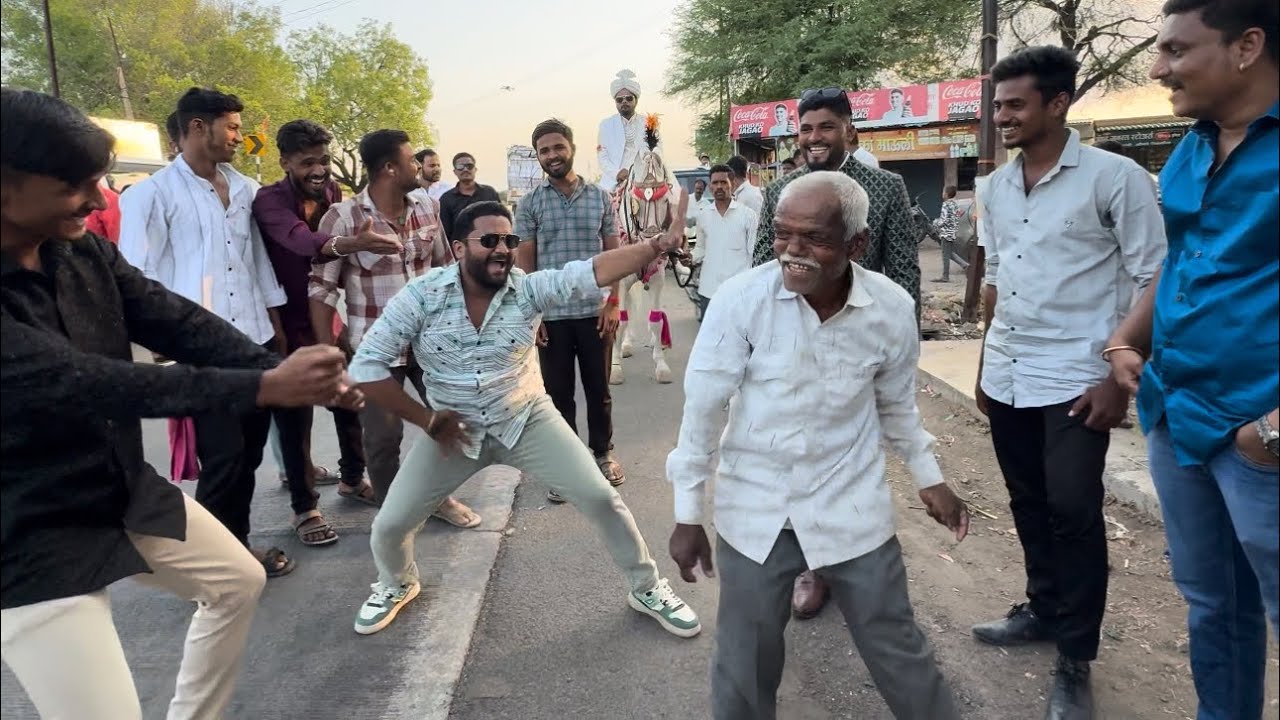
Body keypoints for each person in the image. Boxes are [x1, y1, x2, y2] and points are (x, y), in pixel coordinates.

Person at [0, 87, 362, 720]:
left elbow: (171, 318)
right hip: (28, 533)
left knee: (236, 582)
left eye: (98, 181)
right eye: (76, 186)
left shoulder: (79, 247)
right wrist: (261, 387)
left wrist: (278, 367)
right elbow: (88, 381)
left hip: (116, 486)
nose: (97, 199)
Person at [668, 171, 968, 720]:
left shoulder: (891, 309)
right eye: (783, 234)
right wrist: (687, 513)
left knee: (897, 647)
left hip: (851, 506)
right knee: (745, 666)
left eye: (815, 238)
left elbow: (896, 404)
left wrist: (931, 477)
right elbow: (703, 409)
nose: (793, 252)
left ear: (856, 245)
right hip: (757, 511)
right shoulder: (741, 301)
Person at [348, 200, 701, 639]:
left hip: (526, 418)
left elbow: (590, 271)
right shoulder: (422, 297)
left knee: (601, 498)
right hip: (453, 432)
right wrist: (426, 419)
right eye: (489, 240)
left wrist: (655, 246)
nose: (502, 249)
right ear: (458, 248)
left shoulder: (529, 289)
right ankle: (397, 582)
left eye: (510, 240)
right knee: (390, 525)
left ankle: (646, 587)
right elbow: (365, 366)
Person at [970, 46, 1167, 720]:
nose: (1003, 117)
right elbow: (996, 277)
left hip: (1078, 379)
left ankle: (1075, 657)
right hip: (1009, 374)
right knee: (1027, 500)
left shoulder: (1116, 179)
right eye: (998, 106)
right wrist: (982, 368)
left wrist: (1118, 374)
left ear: (1058, 104)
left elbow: (1154, 277)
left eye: (1015, 105)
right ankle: (1044, 610)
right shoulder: (994, 186)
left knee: (1074, 511)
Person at [1107, 1, 1278, 717]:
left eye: (1177, 50)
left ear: (1246, 46)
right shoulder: (1190, 148)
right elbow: (1183, 257)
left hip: (1259, 432)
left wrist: (1269, 428)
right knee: (1214, 604)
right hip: (1176, 414)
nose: (1158, 68)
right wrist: (1126, 339)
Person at [750, 87, 923, 617]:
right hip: (796, 349)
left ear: (850, 129)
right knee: (802, 452)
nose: (814, 138)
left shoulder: (885, 187)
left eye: (826, 127)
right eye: (805, 129)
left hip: (863, 347)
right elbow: (761, 271)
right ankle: (811, 563)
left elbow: (904, 271)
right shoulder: (782, 190)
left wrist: (900, 346)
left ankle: (850, 554)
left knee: (856, 455)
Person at [120, 87, 305, 577]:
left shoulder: (244, 188)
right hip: (198, 347)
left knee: (246, 455)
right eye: (233, 128)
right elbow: (134, 276)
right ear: (198, 127)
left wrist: (277, 327)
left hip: (254, 339)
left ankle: (236, 546)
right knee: (222, 458)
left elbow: (257, 261)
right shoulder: (150, 195)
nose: (239, 138)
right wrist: (162, 340)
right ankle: (218, 562)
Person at [308, 129, 478, 528]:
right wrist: (327, 355)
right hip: (375, 351)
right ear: (388, 168)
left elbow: (444, 270)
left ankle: (438, 497)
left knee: (447, 421)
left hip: (430, 341)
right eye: (410, 161)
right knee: (383, 441)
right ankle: (393, 520)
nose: (418, 167)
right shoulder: (344, 218)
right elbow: (321, 288)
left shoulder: (426, 207)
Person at [254, 119, 405, 540]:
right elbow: (302, 242)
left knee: (349, 401)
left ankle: (352, 479)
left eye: (323, 161)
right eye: (307, 163)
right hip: (284, 323)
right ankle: (304, 509)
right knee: (294, 419)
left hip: (327, 316)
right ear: (284, 162)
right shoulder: (268, 201)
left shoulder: (333, 194)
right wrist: (352, 244)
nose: (318, 171)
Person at [514, 119, 638, 500]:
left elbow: (614, 254)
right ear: (538, 158)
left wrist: (613, 302)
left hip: (594, 312)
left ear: (571, 147)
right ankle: (568, 468)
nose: (552, 156)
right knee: (557, 395)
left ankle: (603, 454)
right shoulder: (530, 203)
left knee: (599, 389)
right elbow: (526, 265)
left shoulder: (600, 197)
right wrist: (533, 317)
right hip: (551, 318)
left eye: (557, 147)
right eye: (544, 151)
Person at [689, 164, 757, 319]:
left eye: (723, 182)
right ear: (710, 187)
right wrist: (689, 258)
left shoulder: (748, 216)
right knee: (711, 341)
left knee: (741, 340)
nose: (719, 186)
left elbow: (753, 254)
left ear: (732, 184)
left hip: (739, 292)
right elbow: (700, 249)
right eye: (715, 183)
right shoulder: (704, 216)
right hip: (709, 291)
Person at [598, 69, 662, 193]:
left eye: (628, 98)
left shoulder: (648, 123)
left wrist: (645, 168)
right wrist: (617, 173)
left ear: (636, 100)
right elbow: (602, 155)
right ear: (615, 102)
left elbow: (658, 149)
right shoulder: (606, 125)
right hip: (613, 182)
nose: (624, 102)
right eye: (619, 100)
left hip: (644, 180)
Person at [438, 152, 500, 240]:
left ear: (475, 169)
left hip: (490, 244)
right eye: (460, 167)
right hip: (461, 250)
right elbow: (444, 233)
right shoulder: (446, 199)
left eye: (469, 166)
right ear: (455, 172)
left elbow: (500, 220)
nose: (465, 169)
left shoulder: (489, 193)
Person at [932, 185, 960, 282]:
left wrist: (936, 223)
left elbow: (943, 220)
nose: (942, 193)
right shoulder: (954, 204)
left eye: (943, 191)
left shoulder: (945, 205)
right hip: (952, 232)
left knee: (945, 256)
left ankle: (945, 276)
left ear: (946, 194)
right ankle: (966, 265)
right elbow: (957, 217)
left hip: (945, 233)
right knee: (949, 253)